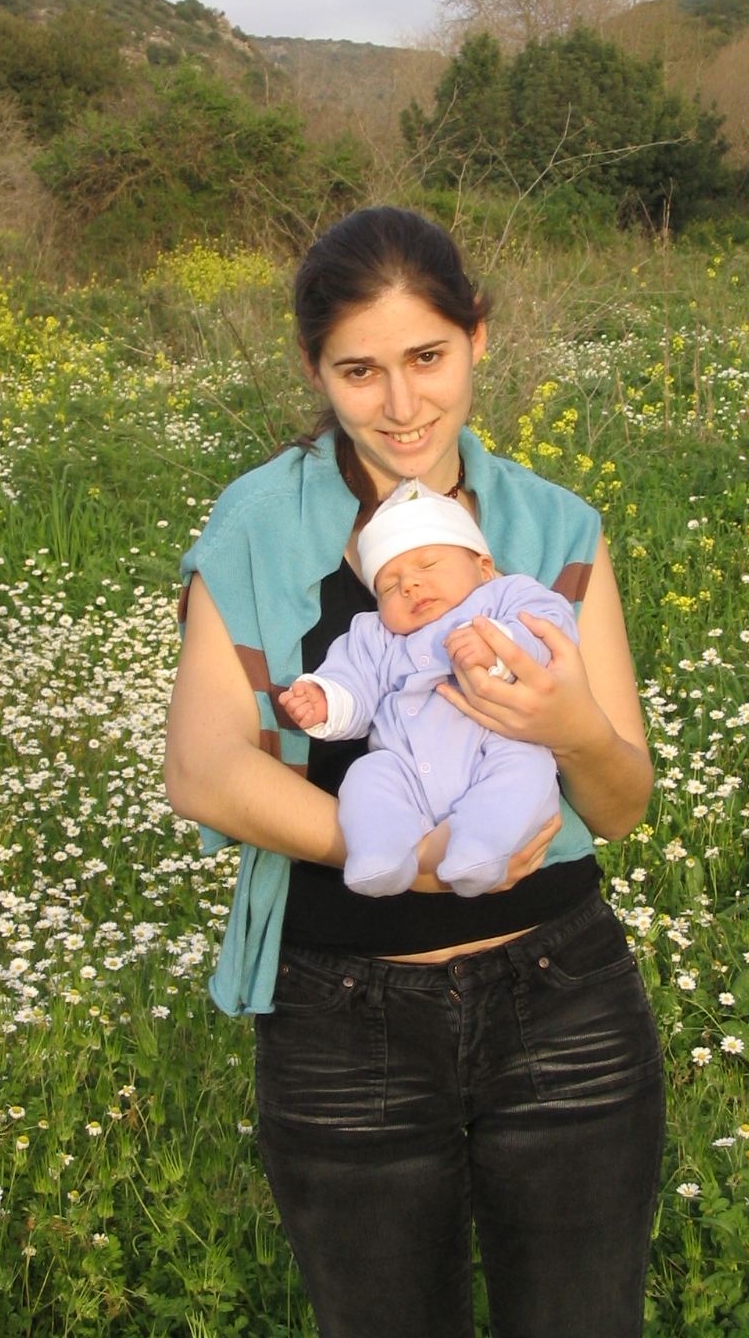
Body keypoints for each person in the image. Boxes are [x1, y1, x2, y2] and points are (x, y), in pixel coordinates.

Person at [164, 207, 664, 1338]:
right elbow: (203, 768)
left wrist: (574, 728)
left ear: (477, 335)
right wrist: (407, 858)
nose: (401, 405)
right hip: (343, 1022)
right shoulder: (255, 525)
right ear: (315, 370)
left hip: (566, 1001)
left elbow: (620, 805)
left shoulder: (555, 526)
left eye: (428, 357)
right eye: (360, 371)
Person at [279, 477, 580, 897]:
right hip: (407, 769)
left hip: (496, 747)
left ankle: (481, 847)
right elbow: (353, 678)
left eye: (428, 565)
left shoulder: (504, 597)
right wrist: (329, 700)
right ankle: (380, 854)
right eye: (389, 585)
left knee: (525, 771)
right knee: (367, 776)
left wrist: (502, 646)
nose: (409, 585)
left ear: (483, 568)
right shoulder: (375, 635)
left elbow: (551, 623)